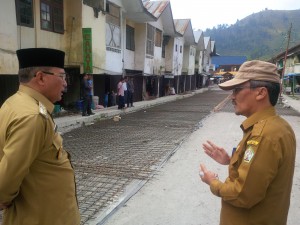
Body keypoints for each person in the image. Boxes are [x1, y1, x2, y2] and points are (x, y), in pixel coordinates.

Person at [199, 60, 296, 225]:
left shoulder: (264, 135)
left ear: (260, 93)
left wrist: (212, 182)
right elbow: (263, 170)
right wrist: (230, 160)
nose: (233, 96)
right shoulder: (279, 126)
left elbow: (242, 194)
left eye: (237, 90)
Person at [0, 48, 80, 225]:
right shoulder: (33, 117)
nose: (66, 83)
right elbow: (4, 184)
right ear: (41, 77)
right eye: (62, 76)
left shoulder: (14, 102)